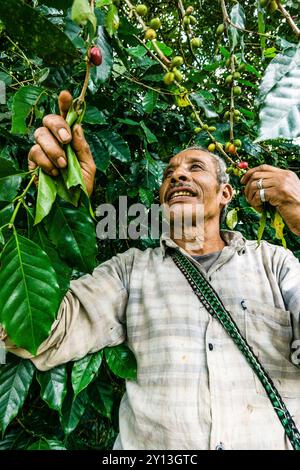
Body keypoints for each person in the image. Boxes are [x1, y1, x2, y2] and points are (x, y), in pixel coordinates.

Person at [2, 91, 300, 450]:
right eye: (169, 174)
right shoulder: (131, 271)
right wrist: (60, 216)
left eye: (195, 168)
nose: (177, 177)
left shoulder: (275, 263)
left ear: (225, 194)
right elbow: (39, 332)